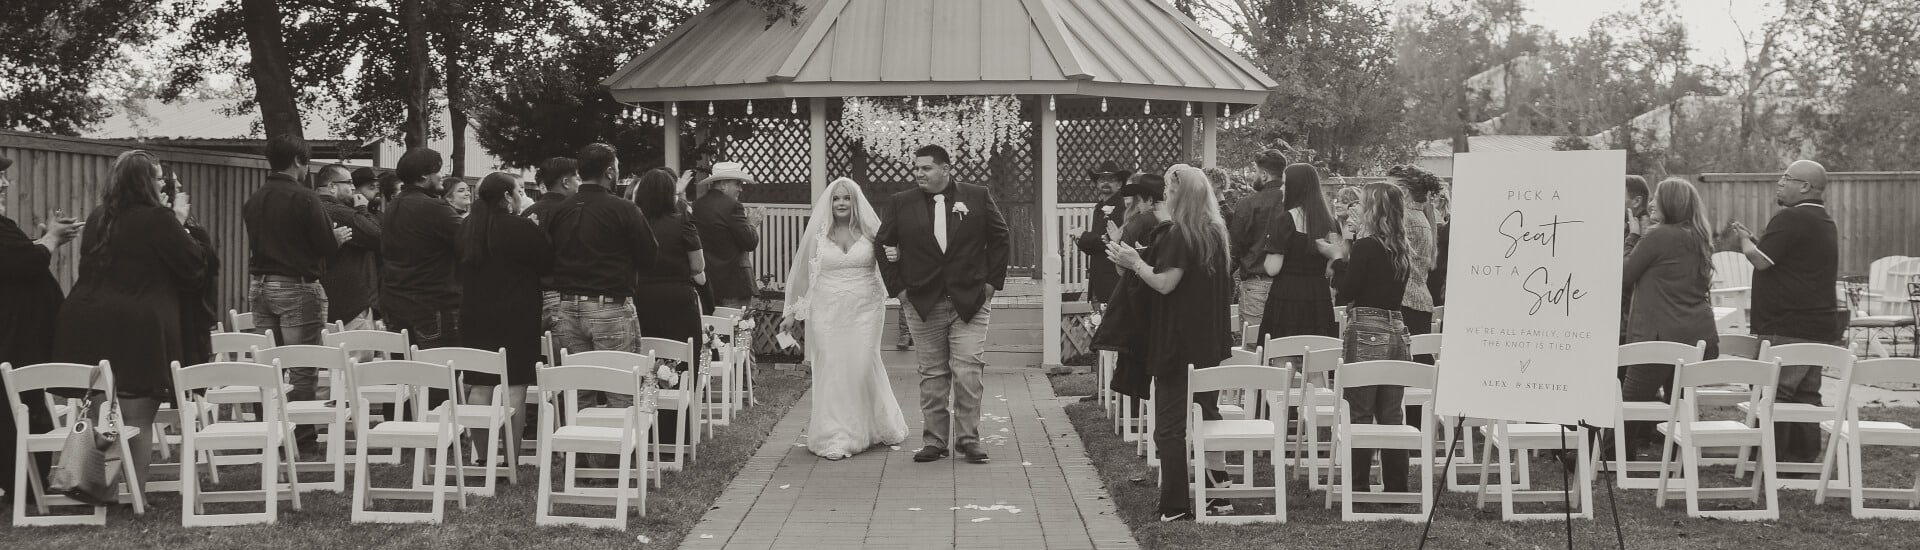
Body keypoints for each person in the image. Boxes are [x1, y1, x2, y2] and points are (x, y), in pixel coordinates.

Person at [51, 150, 215, 492]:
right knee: (138, 418)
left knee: (102, 414)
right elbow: (194, 268)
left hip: (87, 318)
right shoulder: (160, 219)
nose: (162, 183)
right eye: (158, 178)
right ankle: (136, 494)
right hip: (140, 323)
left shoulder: (99, 217)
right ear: (146, 182)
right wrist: (182, 223)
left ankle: (100, 486)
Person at [1104, 165, 1233, 522]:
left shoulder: (1181, 233)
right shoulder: (1216, 232)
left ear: (1181, 194)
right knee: (1206, 417)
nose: (1164, 195)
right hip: (1209, 341)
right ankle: (1219, 494)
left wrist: (1134, 262)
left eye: (1168, 190)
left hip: (1178, 342)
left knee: (1170, 427)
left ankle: (1175, 504)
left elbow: (1164, 284)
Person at [876, 144, 1010, 465]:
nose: (919, 173)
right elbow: (883, 244)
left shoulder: (976, 196)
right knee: (933, 374)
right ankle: (934, 441)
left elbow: (1000, 236)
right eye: (917, 169)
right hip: (922, 301)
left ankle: (968, 439)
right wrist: (900, 291)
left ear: (946, 169)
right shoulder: (901, 203)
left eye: (926, 168)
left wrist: (992, 284)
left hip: (971, 300)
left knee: (967, 370)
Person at [781, 177, 910, 460]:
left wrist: (898, 261)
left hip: (866, 307)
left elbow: (892, 262)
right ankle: (836, 435)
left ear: (856, 202)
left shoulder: (872, 232)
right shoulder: (818, 235)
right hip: (826, 310)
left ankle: (874, 425)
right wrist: (791, 312)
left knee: (862, 365)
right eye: (836, 198)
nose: (841, 203)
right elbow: (803, 274)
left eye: (846, 198)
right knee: (833, 367)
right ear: (830, 203)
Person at [1729, 160, 1840, 469]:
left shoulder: (1790, 217)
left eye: (1786, 178)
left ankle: (1770, 457)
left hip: (1784, 324)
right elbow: (1783, 258)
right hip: (1818, 325)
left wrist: (1744, 241)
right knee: (1806, 394)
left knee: (1774, 392)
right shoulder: (1823, 221)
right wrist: (1755, 240)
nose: (1779, 182)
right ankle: (1803, 459)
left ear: (1804, 186)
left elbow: (1761, 260)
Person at [242, 135, 349, 449]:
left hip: (260, 285)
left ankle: (269, 429)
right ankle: (302, 434)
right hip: (297, 285)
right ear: (299, 161)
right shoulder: (305, 199)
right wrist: (337, 237)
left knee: (267, 363)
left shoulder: (255, 199)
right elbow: (325, 246)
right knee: (302, 365)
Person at [545, 143, 658, 409]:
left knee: (580, 388)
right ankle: (619, 449)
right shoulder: (624, 209)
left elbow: (548, 256)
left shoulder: (561, 210)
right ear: (609, 172)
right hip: (609, 306)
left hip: (568, 306)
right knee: (620, 386)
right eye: (617, 168)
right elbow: (649, 255)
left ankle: (584, 450)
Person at [1619, 177, 1722, 459]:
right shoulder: (1699, 235)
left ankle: (1611, 455)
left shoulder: (1658, 235)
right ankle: (1678, 459)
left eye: (1657, 198)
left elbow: (1624, 275)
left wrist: (1633, 236)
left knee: (1630, 403)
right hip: (1696, 336)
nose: (1651, 203)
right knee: (1679, 403)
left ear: (1671, 204)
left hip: (1659, 338)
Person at [457, 172, 552, 462]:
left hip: (474, 313)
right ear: (508, 197)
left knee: (481, 384)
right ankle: (510, 456)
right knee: (514, 386)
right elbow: (547, 262)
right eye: (519, 191)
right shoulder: (521, 228)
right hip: (517, 314)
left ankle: (483, 455)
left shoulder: (466, 229)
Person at [0, 154, 80, 498]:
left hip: (20, 338)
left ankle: (25, 483)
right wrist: (49, 242)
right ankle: (23, 486)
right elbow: (21, 265)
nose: (4, 183)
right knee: (16, 412)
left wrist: (44, 240)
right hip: (13, 340)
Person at [1335, 181, 1417, 497]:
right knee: (1391, 412)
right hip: (1397, 328)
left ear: (1373, 209)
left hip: (1367, 327)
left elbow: (1348, 290)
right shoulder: (1401, 247)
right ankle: (1396, 485)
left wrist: (1339, 259)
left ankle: (1358, 484)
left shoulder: (1368, 246)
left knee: (1359, 410)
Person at [631, 168, 706, 444]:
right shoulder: (683, 222)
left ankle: (648, 427)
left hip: (641, 298)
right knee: (683, 361)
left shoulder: (634, 223)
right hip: (677, 299)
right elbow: (698, 265)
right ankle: (680, 432)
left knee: (647, 362)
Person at [381, 148, 464, 351]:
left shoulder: (393, 206)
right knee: (443, 375)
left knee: (408, 375)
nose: (442, 175)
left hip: (395, 303)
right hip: (431, 304)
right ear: (424, 175)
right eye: (438, 170)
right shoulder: (434, 208)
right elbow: (471, 239)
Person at [1257, 163, 1343, 344]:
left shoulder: (1285, 220)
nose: (1282, 188)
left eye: (1285, 184)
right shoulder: (1330, 222)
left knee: (1283, 357)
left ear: (1296, 187)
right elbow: (1332, 266)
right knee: (1316, 361)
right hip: (1318, 296)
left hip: (1288, 296)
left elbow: (1272, 268)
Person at [1228, 149, 1289, 337]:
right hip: (1287, 283)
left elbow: (1236, 246)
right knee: (1283, 349)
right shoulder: (1294, 202)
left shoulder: (1249, 203)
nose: (1254, 176)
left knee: (1255, 350)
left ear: (1263, 174)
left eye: (1255, 171)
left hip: (1257, 283)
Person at [317, 164, 382, 334]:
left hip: (318, 301)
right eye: (349, 183)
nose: (353, 188)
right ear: (332, 187)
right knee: (357, 359)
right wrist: (362, 209)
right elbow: (378, 237)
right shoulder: (340, 212)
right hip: (349, 306)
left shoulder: (309, 208)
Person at [1385, 165, 1440, 365]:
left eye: (1387, 188)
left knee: (1406, 369)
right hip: (1419, 299)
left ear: (1403, 191)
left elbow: (1385, 257)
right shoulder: (1421, 217)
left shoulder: (1403, 218)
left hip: (1405, 300)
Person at [693, 162, 763, 309]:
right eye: (737, 184)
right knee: (736, 330)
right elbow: (749, 242)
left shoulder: (697, 205)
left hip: (707, 284)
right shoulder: (733, 206)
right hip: (734, 285)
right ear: (723, 184)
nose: (740, 189)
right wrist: (752, 224)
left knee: (711, 330)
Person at [1073, 161, 1132, 308]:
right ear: (1097, 183)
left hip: (1113, 277)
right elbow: (1095, 245)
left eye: (1111, 179)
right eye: (1102, 179)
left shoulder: (1121, 207)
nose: (1106, 182)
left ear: (1119, 184)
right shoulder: (1098, 207)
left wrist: (1084, 235)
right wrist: (1079, 239)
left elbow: (1107, 240)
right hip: (1097, 277)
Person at [1621, 175, 1652, 345]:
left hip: (1630, 326)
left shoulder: (1644, 231)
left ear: (1636, 201)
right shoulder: (1628, 225)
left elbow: (1628, 275)